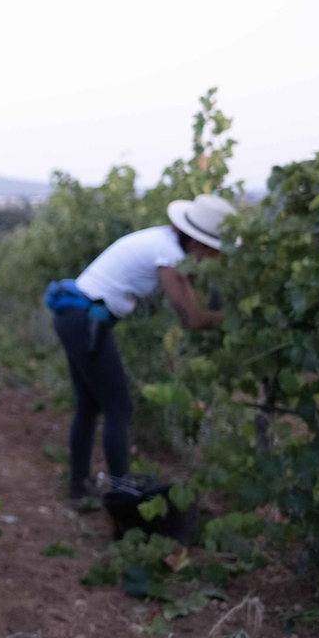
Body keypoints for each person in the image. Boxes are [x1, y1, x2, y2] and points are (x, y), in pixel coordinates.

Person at [45, 193, 235, 500]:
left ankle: (80, 486)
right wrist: (232, 317)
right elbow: (192, 319)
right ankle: (122, 493)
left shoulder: (165, 243)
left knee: (90, 405)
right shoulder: (169, 256)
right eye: (215, 253)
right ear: (201, 244)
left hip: (75, 316)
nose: (216, 259)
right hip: (85, 321)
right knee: (119, 407)